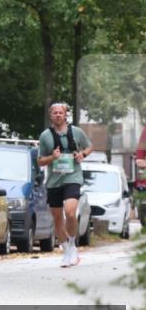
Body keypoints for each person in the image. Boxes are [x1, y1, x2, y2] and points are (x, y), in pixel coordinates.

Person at [37, 102, 93, 267]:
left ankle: (73, 244)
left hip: (72, 178)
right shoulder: (45, 136)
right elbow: (40, 161)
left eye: (61, 112)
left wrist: (82, 154)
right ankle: (66, 250)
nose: (58, 115)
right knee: (57, 218)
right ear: (51, 115)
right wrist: (52, 158)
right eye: (55, 113)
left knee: (70, 212)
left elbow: (90, 147)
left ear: (65, 114)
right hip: (54, 181)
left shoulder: (76, 132)